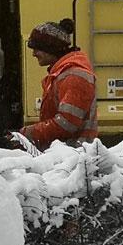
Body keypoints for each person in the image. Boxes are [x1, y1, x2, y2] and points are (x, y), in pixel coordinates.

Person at [18, 18, 98, 150]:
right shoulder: (63, 74)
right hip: (67, 153)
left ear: (50, 48)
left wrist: (25, 134)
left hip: (73, 156)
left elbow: (67, 124)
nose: (33, 54)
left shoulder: (74, 76)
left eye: (37, 48)